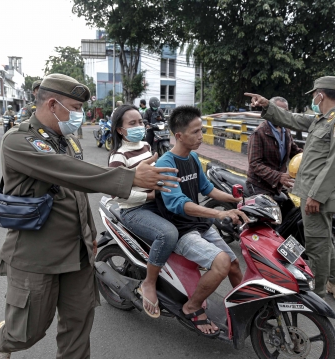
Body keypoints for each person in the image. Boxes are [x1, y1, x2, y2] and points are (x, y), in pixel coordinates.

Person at [0, 73, 181, 359]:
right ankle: (5, 341)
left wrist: (89, 234)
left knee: (78, 326)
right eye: (75, 108)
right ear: (53, 105)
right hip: (36, 256)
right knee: (27, 332)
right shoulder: (19, 141)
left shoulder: (67, 141)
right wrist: (130, 177)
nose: (80, 115)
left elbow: (76, 193)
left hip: (77, 252)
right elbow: (71, 173)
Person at [245, 76, 335, 300]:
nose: (314, 98)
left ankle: (319, 292)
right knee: (322, 239)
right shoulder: (321, 119)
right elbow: (291, 119)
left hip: (317, 194)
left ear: (321, 95)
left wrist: (316, 195)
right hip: (309, 192)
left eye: (315, 94)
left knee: (315, 244)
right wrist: (267, 105)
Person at [156, 105, 249, 337]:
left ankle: (245, 306)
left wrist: (237, 200)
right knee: (221, 263)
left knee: (234, 263)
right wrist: (218, 214)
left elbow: (207, 189)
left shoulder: (194, 157)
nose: (201, 136)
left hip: (199, 224)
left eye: (201, 130)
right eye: (196, 132)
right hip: (180, 229)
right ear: (179, 135)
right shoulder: (166, 164)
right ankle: (192, 306)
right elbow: (177, 202)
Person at [108, 105, 179, 318]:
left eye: (140, 122)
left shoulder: (147, 146)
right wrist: (148, 196)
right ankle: (148, 283)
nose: (139, 126)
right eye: (132, 123)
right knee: (168, 234)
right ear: (120, 130)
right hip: (134, 208)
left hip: (155, 202)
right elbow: (117, 194)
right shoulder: (118, 157)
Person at [246, 96, 303, 216]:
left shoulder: (285, 130)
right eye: (278, 110)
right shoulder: (259, 133)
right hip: (259, 184)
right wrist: (278, 176)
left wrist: (312, 158)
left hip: (277, 185)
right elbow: (254, 163)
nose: (282, 114)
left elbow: (295, 151)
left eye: (285, 111)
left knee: (290, 214)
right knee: (267, 221)